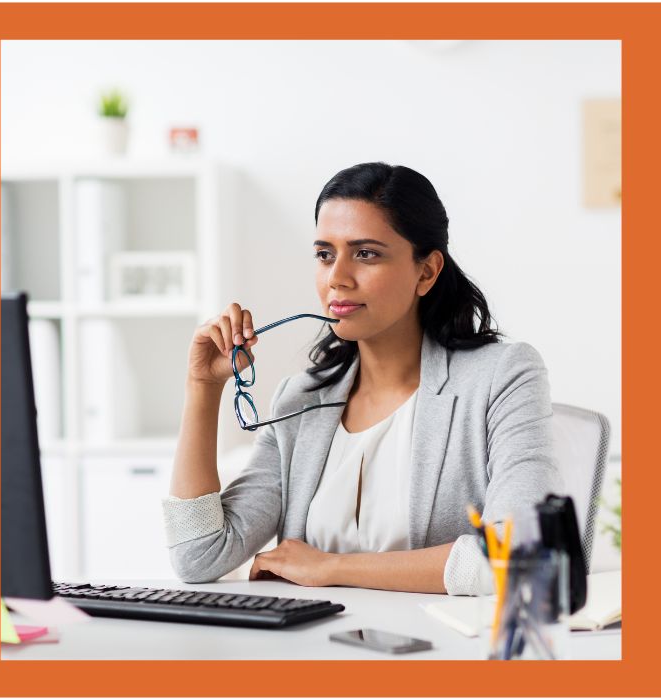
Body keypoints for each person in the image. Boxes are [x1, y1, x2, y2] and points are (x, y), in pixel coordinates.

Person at [162, 162, 562, 595]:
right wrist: (203, 387)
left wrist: (332, 567)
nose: (337, 279)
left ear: (426, 272)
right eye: (325, 255)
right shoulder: (300, 401)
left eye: (366, 253)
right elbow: (198, 556)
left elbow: (525, 557)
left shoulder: (502, 376)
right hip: (317, 636)